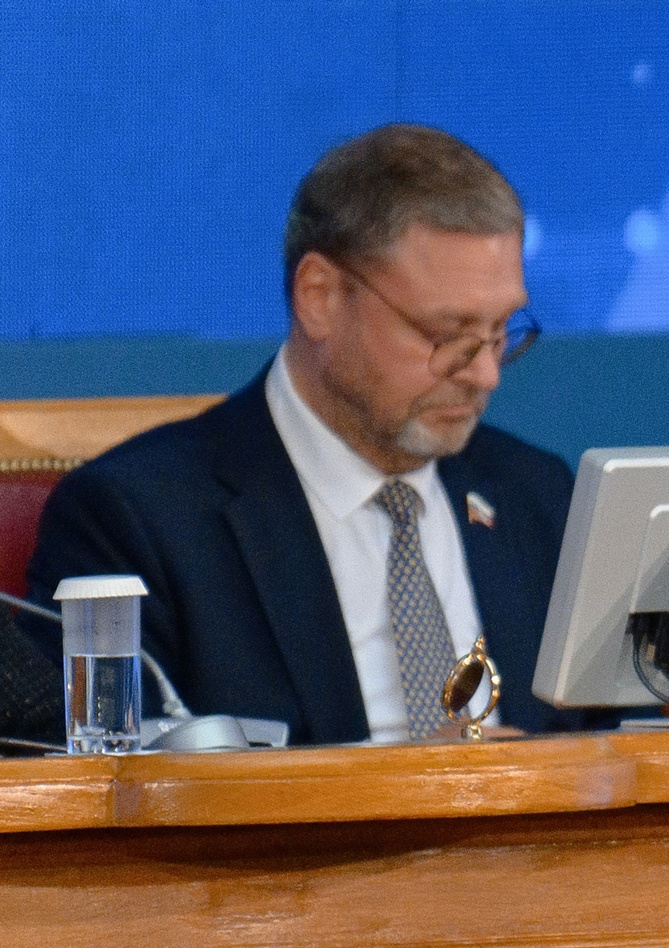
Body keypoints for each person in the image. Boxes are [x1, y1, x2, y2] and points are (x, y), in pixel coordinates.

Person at [22, 124, 585, 745]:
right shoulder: (138, 520)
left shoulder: (538, 496)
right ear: (320, 298)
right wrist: (408, 783)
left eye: (501, 332)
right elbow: (121, 784)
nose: (484, 375)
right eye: (448, 336)